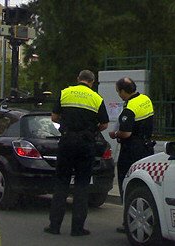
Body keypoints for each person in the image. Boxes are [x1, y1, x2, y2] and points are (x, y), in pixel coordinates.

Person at [44, 70, 109, 236]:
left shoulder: (65, 93)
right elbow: (104, 124)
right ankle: (77, 228)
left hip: (67, 142)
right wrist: (91, 128)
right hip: (86, 144)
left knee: (61, 183)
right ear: (92, 82)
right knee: (82, 185)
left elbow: (54, 117)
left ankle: (54, 226)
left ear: (78, 79)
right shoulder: (96, 98)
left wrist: (67, 124)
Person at [109, 77, 155, 233]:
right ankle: (143, 217)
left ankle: (128, 221)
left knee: (127, 183)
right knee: (143, 185)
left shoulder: (130, 108)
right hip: (147, 148)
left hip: (131, 151)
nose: (119, 95)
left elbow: (126, 133)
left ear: (123, 91)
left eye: (118, 92)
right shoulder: (145, 99)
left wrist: (115, 134)